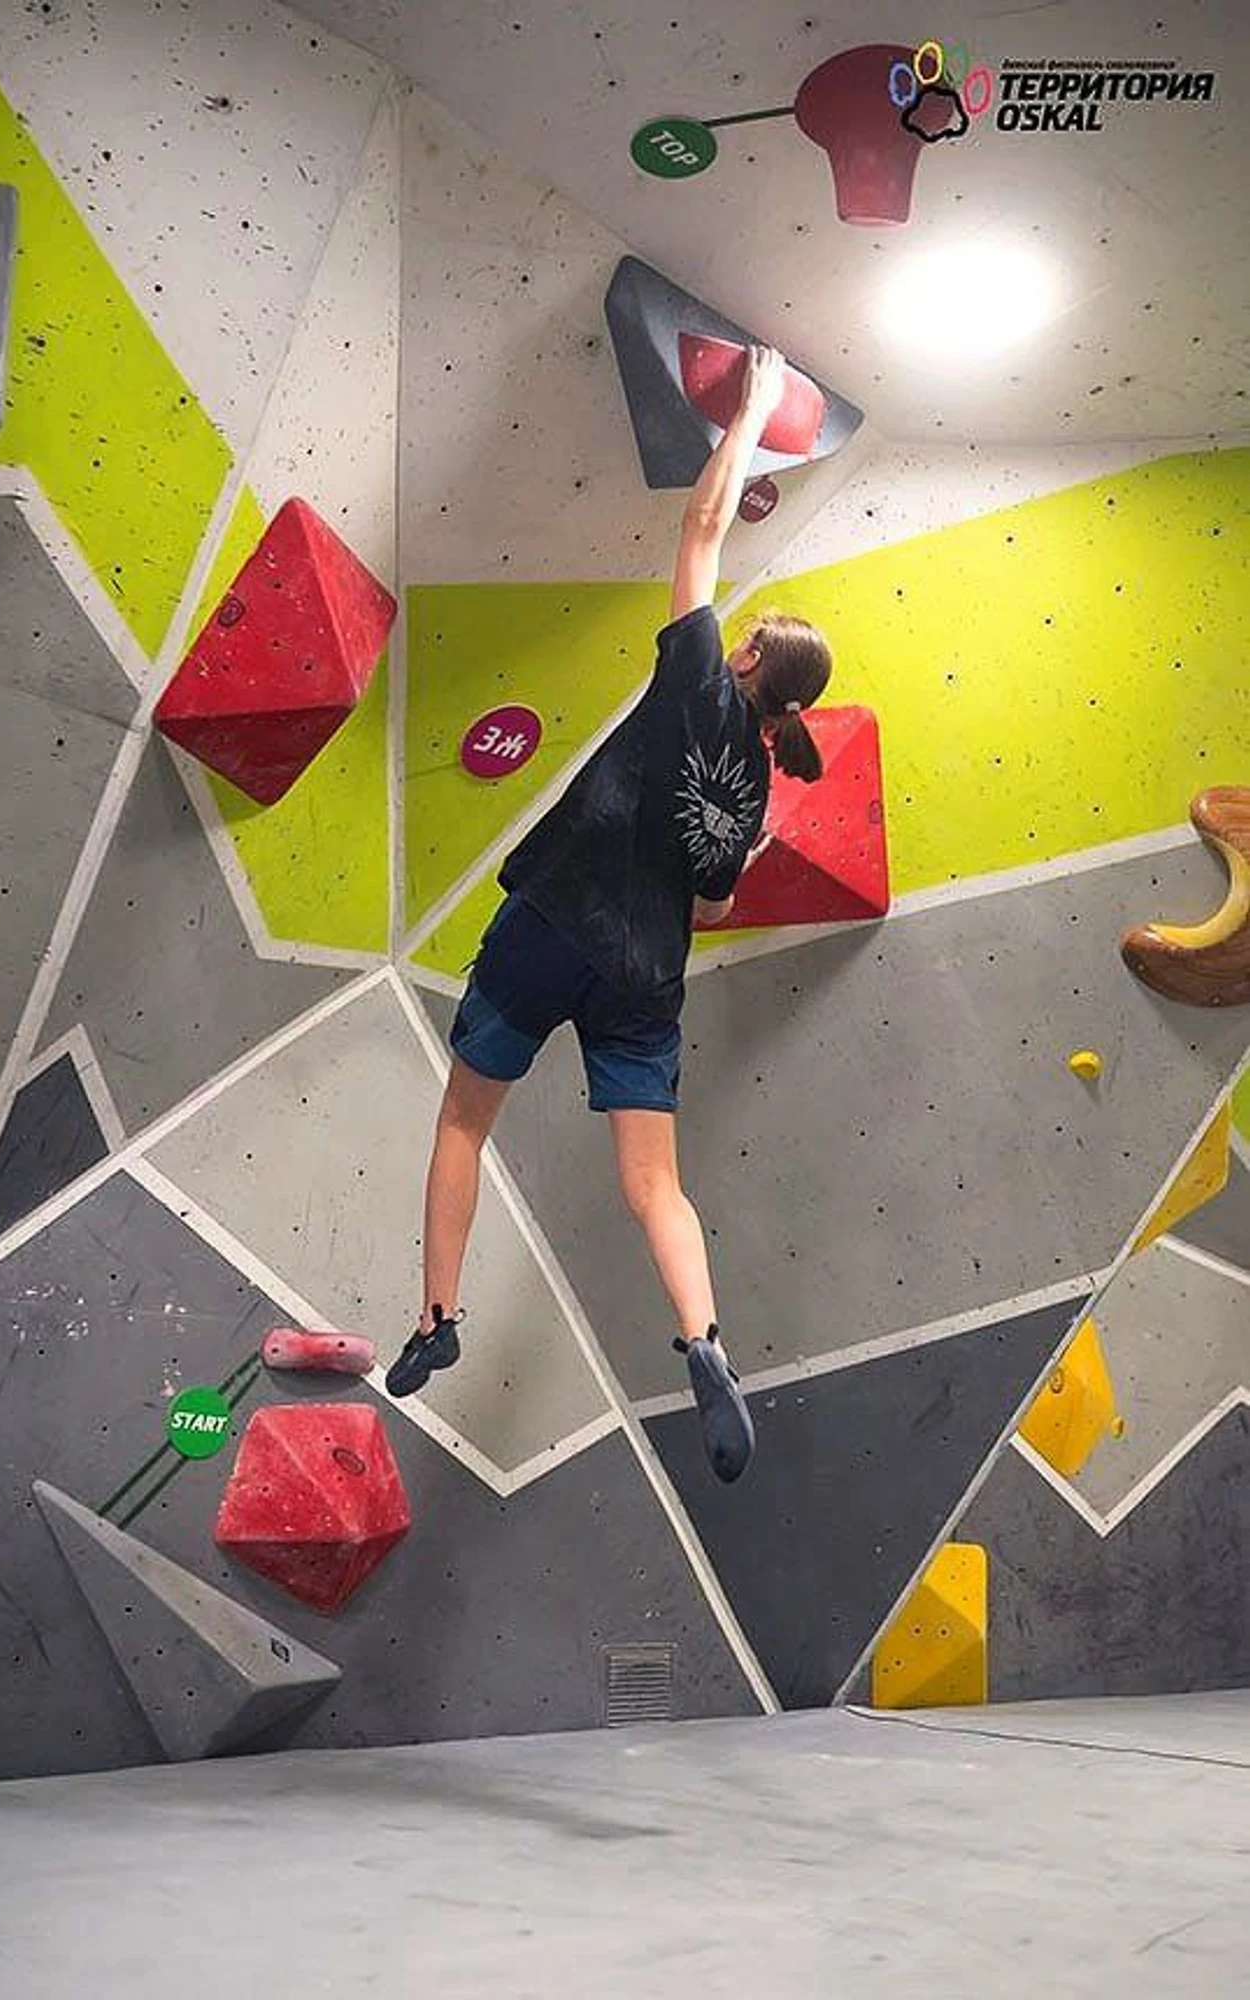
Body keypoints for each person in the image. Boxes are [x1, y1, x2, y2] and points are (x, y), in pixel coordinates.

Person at [387, 346, 833, 1483]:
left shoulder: (697, 677)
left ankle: (437, 1317)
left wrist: (749, 413)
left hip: (554, 922)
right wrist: (735, 853)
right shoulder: (756, 788)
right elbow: (714, 899)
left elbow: (703, 528)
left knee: (463, 1121)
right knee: (655, 1186)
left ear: (745, 654)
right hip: (644, 977)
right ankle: (704, 1338)